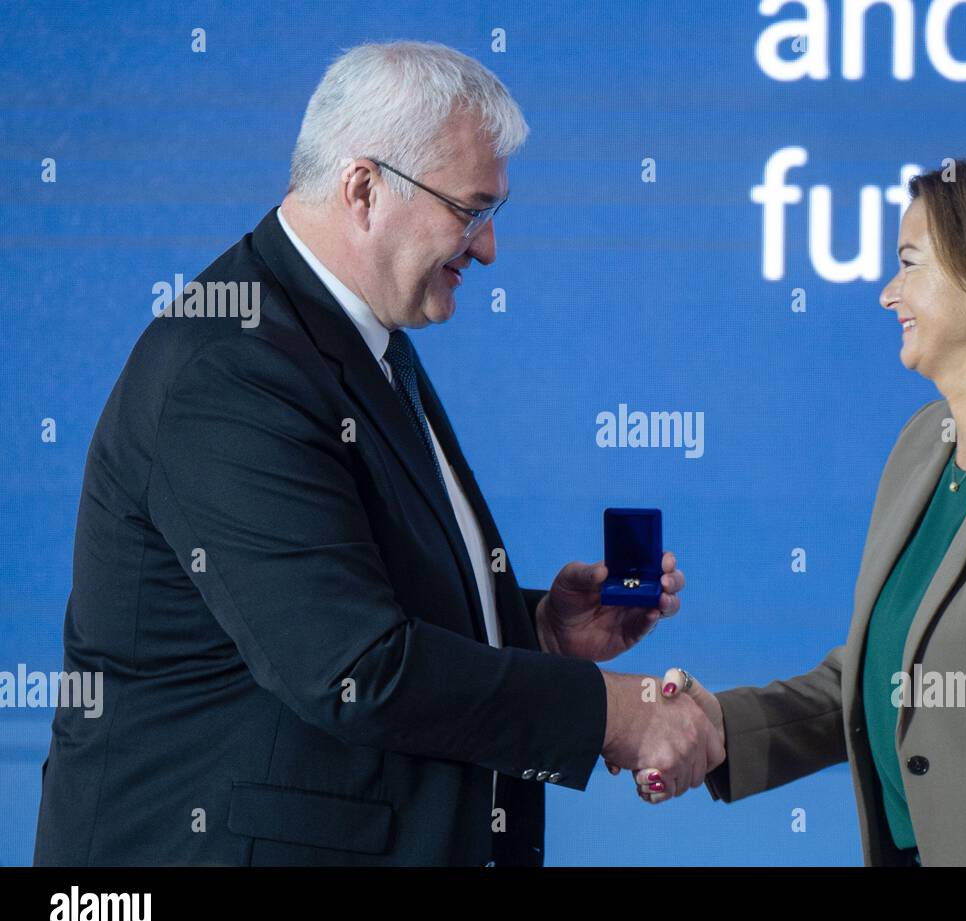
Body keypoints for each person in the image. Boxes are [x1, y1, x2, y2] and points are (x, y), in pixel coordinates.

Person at [33, 40, 721, 867]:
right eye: (471, 211)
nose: (490, 248)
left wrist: (535, 630)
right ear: (363, 189)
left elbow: (357, 594)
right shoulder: (230, 368)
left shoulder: (354, 335)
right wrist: (614, 711)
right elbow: (353, 666)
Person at [618, 152, 966, 867]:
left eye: (910, 263)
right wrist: (722, 727)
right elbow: (885, 675)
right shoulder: (926, 444)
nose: (888, 293)